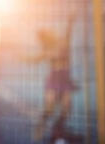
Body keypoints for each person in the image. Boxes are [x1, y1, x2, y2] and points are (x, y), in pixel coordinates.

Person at [25, 10, 79, 142]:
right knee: (50, 108)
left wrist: (70, 22)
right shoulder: (48, 50)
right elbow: (36, 59)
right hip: (55, 79)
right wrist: (24, 58)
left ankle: (57, 128)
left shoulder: (61, 43)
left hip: (64, 78)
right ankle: (40, 129)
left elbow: (67, 35)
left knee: (66, 108)